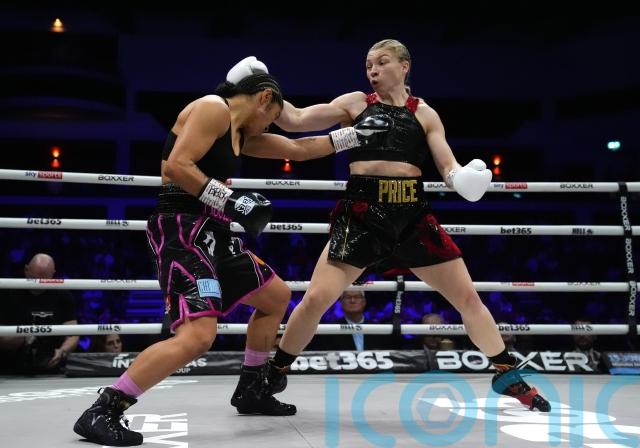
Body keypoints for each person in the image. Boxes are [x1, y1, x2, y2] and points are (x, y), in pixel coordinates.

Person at [73, 58, 384, 446]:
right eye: (272, 117)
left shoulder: (239, 132)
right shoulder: (212, 109)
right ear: (263, 98)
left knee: (275, 296)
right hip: (182, 229)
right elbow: (177, 165)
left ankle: (252, 389)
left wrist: (355, 135)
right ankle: (104, 408)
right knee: (198, 336)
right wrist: (230, 199)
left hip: (214, 230)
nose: (270, 126)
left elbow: (297, 149)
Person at [265, 39, 550, 413]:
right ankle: (274, 371)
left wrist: (461, 178)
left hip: (412, 217)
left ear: (404, 66)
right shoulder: (355, 103)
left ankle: (506, 373)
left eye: (381, 62)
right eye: (368, 64)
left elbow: (447, 165)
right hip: (362, 213)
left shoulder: (426, 114)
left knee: (468, 299)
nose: (373, 70)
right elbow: (295, 120)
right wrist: (263, 87)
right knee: (317, 298)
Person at [0, 253, 78, 374]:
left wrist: (62, 351)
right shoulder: (7, 293)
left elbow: (73, 334)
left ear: (53, 274)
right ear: (26, 270)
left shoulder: (63, 295)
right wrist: (24, 338)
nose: (39, 283)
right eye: (35, 278)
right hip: (10, 369)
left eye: (44, 279)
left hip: (52, 368)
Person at [309, 290, 391, 351]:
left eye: (357, 297)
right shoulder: (331, 330)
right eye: (348, 297)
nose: (352, 300)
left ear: (364, 302)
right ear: (341, 302)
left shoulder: (377, 328)